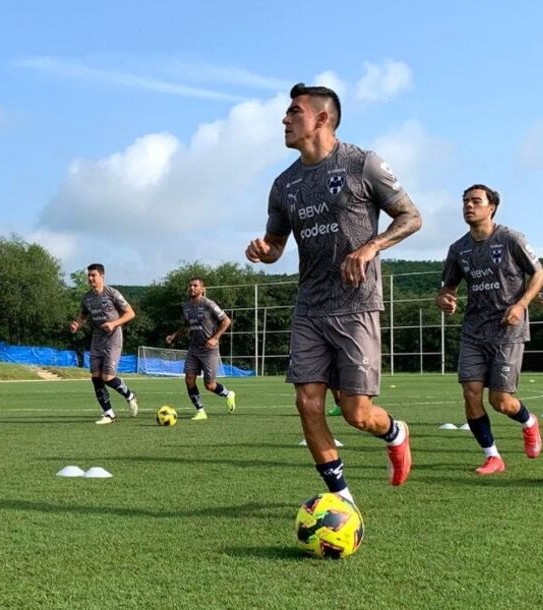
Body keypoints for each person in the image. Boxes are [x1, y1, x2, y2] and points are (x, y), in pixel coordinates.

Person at [244, 83, 421, 503]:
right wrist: (265, 252)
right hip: (310, 307)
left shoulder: (362, 163)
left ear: (322, 118)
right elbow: (276, 245)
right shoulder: (284, 185)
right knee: (308, 403)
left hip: (356, 304)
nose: (284, 119)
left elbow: (411, 217)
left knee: (357, 413)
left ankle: (395, 432)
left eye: (294, 112)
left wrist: (371, 246)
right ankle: (341, 498)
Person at [437, 184, 543, 475]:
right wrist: (445, 299)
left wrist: (521, 304)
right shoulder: (458, 249)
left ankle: (529, 422)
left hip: (508, 332)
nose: (468, 206)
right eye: (465, 201)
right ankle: (492, 456)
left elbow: (539, 274)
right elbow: (447, 288)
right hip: (474, 332)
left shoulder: (511, 239)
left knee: (501, 402)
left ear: (492, 207)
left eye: (475, 201)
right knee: (471, 393)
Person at [69, 263, 139, 424]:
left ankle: (130, 396)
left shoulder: (112, 293)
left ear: (102, 276)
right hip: (97, 338)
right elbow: (83, 316)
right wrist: (77, 324)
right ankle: (109, 414)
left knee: (107, 377)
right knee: (96, 377)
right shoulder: (87, 298)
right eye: (89, 275)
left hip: (113, 338)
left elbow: (130, 313)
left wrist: (114, 323)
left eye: (93, 275)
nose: (90, 278)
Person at [165, 277, 237, 420]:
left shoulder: (208, 304)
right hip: (194, 348)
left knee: (209, 385)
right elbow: (186, 325)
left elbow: (226, 321)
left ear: (202, 289)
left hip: (209, 350)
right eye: (190, 285)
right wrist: (174, 336)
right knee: (189, 378)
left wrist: (215, 338)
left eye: (195, 286)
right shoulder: (186, 306)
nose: (192, 288)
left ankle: (228, 394)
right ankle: (200, 410)